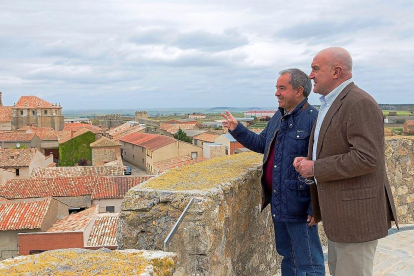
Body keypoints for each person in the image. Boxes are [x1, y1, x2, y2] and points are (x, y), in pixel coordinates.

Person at [294, 47, 399, 276]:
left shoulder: (358, 102)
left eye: (315, 69)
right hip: (341, 218)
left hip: (356, 218)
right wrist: (310, 160)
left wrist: (315, 168)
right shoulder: (332, 102)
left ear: (336, 71)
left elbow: (367, 157)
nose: (310, 75)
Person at [222, 68, 325, 275]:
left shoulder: (315, 119)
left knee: (309, 263)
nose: (277, 93)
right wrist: (237, 128)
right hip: (279, 202)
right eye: (276, 88)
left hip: (300, 205)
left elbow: (323, 164)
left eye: (282, 88)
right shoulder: (279, 117)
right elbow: (262, 143)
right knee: (288, 257)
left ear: (299, 91)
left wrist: (316, 208)